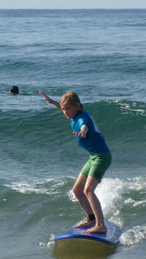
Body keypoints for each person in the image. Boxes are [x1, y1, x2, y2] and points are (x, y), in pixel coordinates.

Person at [39, 90, 112, 234]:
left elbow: (84, 125)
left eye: (68, 108)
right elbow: (64, 108)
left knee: (88, 190)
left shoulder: (81, 118)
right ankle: (91, 218)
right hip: (93, 157)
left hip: (102, 156)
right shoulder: (73, 115)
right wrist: (52, 102)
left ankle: (100, 224)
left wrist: (83, 132)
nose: (65, 112)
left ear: (77, 106)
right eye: (63, 108)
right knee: (77, 190)